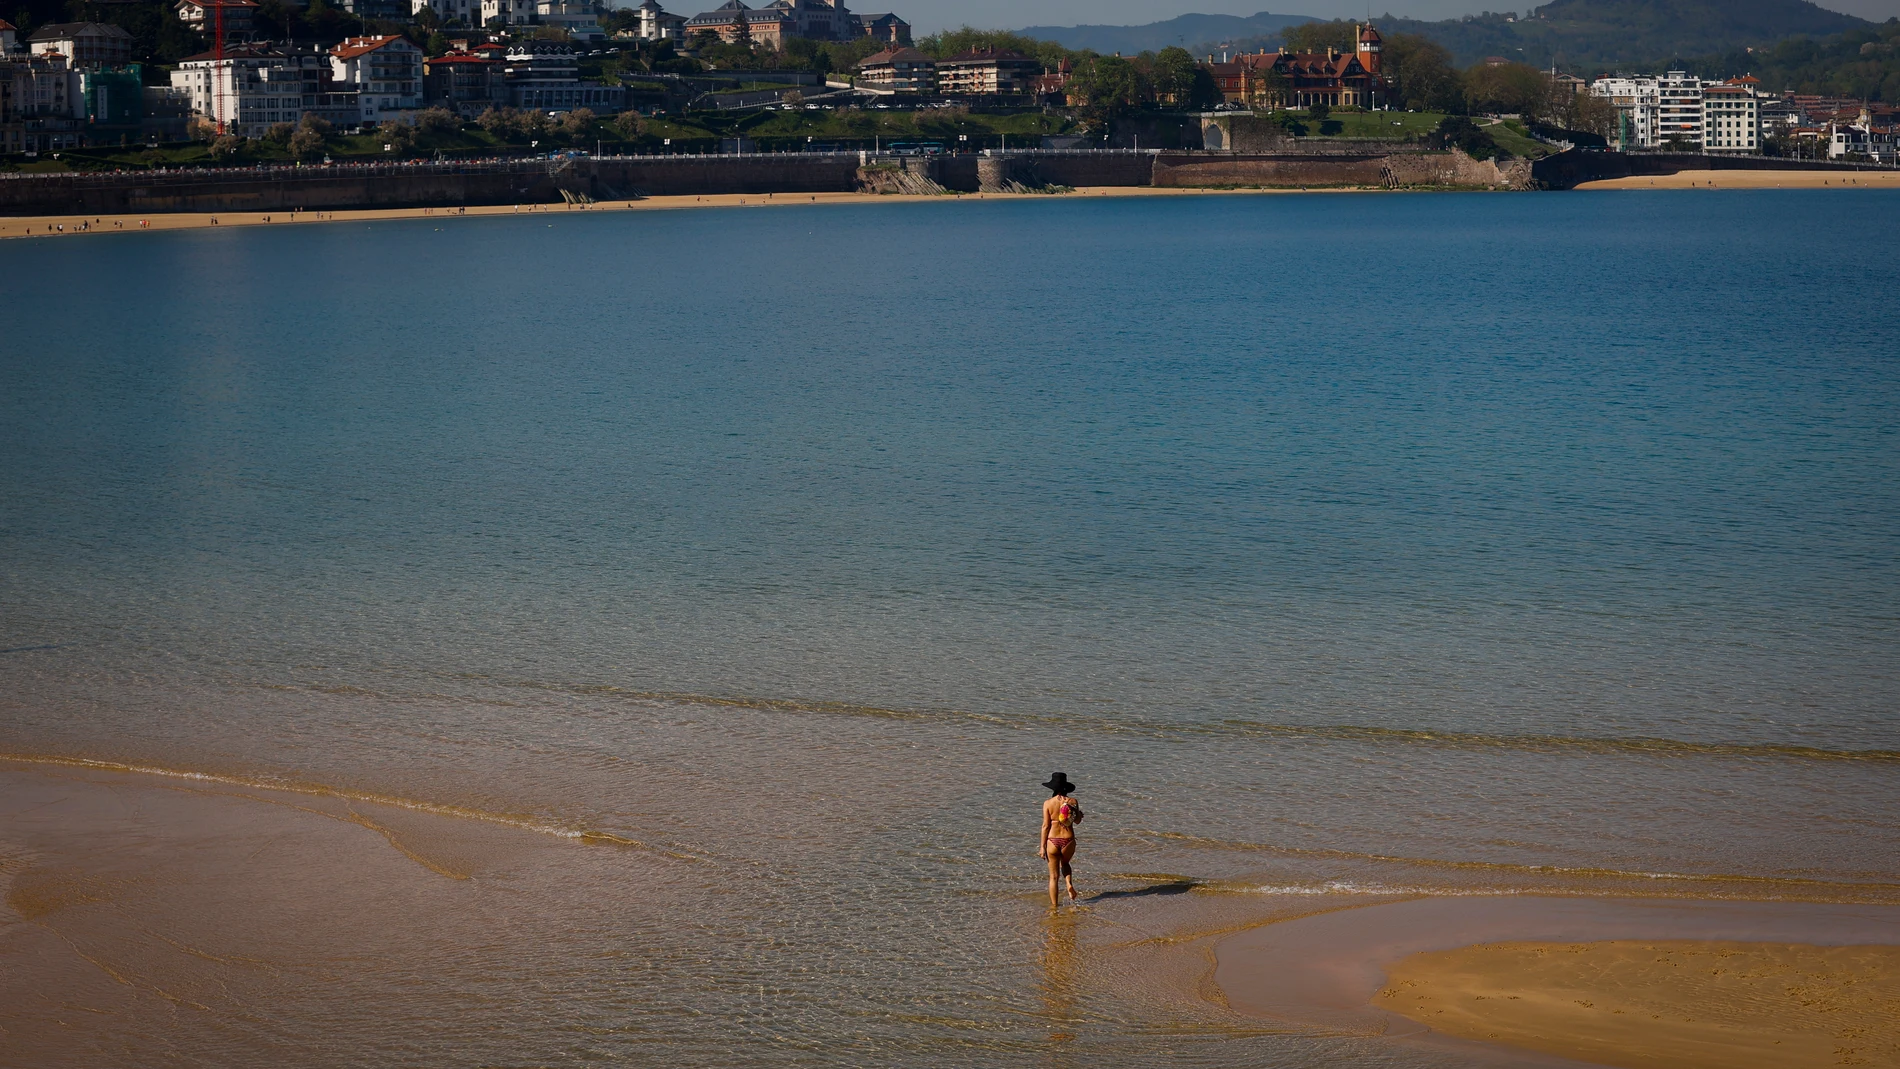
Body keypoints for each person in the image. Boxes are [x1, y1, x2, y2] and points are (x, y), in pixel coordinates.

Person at [1038, 772, 1084, 908]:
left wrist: (1042, 847)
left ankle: (1054, 908)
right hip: (1068, 839)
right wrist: (1079, 815)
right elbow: (1077, 821)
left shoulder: (1047, 803)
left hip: (1052, 840)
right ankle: (1069, 884)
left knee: (1053, 877)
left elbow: (1046, 826)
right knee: (1065, 864)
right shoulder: (1073, 801)